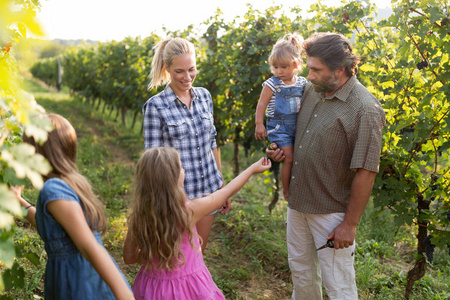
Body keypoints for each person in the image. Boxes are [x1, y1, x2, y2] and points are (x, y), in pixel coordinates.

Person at [267, 32, 385, 299]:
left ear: (339, 69)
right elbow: (296, 136)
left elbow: (367, 171)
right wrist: (281, 150)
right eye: (308, 68)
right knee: (301, 274)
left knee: (339, 286)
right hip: (298, 203)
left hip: (331, 215)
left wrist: (350, 225)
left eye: (316, 70)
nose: (309, 75)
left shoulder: (364, 109)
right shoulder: (312, 90)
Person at [11, 113, 134, 300]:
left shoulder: (52, 189)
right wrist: (18, 201)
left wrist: (125, 296)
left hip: (77, 282)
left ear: (37, 153)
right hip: (84, 277)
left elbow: (89, 246)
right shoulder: (69, 183)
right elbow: (54, 228)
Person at [123, 147, 271, 299]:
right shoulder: (188, 212)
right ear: (173, 178)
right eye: (181, 168)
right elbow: (226, 192)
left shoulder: (139, 216)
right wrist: (252, 169)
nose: (184, 170)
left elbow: (129, 258)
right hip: (187, 288)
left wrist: (154, 256)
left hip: (151, 289)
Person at [143, 37, 227, 252]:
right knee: (177, 259)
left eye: (192, 69)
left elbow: (212, 142)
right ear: (167, 68)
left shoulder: (205, 97)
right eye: (179, 71)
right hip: (178, 199)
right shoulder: (155, 106)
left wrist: (221, 187)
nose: (187, 77)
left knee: (199, 255)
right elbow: (153, 161)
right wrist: (162, 204)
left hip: (208, 191)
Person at [254, 33, 307, 201]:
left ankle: (299, 188)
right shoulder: (272, 84)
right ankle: (287, 191)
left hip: (296, 125)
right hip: (279, 127)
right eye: (275, 67)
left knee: (300, 158)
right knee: (289, 158)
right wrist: (259, 124)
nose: (279, 71)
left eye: (283, 67)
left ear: (296, 64)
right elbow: (261, 105)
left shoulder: (302, 83)